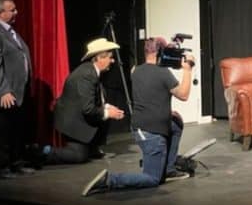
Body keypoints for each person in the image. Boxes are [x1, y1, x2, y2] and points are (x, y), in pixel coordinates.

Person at [81, 37, 193, 195]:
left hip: (142, 128)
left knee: (176, 123)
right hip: (151, 133)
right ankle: (109, 180)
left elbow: (151, 94)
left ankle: (169, 169)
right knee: (152, 179)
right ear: (161, 52)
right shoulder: (163, 73)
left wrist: (167, 113)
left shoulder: (136, 70)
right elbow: (183, 95)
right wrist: (187, 70)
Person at [28, 38, 127, 168]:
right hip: (71, 121)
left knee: (105, 115)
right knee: (78, 156)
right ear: (100, 58)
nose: (113, 61)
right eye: (110, 57)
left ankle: (92, 148)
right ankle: (43, 151)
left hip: (79, 115)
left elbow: (90, 101)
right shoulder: (87, 74)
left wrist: (107, 108)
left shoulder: (92, 71)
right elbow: (88, 109)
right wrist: (108, 112)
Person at [0, 0, 31, 178]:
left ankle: (16, 163)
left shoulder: (10, 30)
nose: (16, 12)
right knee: (1, 133)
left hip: (17, 91)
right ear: (0, 12)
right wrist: (4, 90)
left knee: (16, 130)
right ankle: (1, 167)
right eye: (12, 10)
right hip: (2, 95)